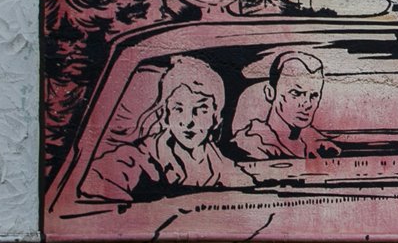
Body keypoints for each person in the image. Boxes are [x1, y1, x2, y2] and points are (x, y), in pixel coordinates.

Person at [83, 56, 251, 202]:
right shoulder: (141, 158)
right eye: (178, 109)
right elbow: (97, 179)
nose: (188, 121)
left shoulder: (219, 164)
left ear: (216, 119)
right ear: (165, 114)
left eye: (201, 109)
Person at [232, 50, 335, 160]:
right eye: (296, 93)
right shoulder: (251, 144)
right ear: (270, 93)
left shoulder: (319, 143)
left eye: (314, 95)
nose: (307, 104)